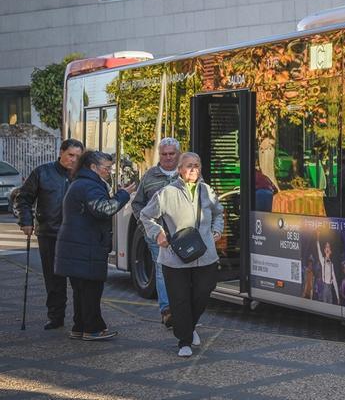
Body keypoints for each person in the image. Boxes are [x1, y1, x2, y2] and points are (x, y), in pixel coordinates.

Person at [139, 152, 223, 358]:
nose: (193, 169)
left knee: (203, 293)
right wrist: (158, 233)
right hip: (174, 257)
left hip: (205, 255)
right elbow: (145, 215)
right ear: (180, 170)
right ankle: (184, 340)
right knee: (180, 299)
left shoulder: (207, 190)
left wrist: (217, 230)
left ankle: (189, 326)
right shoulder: (167, 192)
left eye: (196, 165)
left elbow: (218, 212)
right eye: (188, 166)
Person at [55, 151, 135, 340]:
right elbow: (103, 209)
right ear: (93, 167)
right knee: (90, 290)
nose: (109, 172)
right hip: (86, 247)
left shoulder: (81, 183)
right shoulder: (90, 185)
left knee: (81, 290)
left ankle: (79, 326)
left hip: (77, 247)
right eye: (106, 168)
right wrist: (123, 195)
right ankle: (92, 329)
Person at [15, 138, 83, 330]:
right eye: (70, 155)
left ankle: (81, 319)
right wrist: (26, 221)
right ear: (61, 152)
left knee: (79, 280)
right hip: (49, 234)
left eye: (78, 157)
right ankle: (56, 316)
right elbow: (23, 198)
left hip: (76, 236)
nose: (73, 160)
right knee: (54, 279)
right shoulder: (42, 172)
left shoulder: (82, 176)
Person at [130, 137, 181, 328]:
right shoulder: (150, 176)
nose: (167, 158)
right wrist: (146, 229)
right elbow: (137, 203)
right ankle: (167, 311)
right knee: (161, 271)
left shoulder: (187, 173)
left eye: (171, 154)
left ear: (178, 154)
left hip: (182, 234)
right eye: (164, 154)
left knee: (183, 272)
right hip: (157, 234)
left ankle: (182, 309)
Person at [316, 240, 338, 304]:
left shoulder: (332, 264)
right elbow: (319, 251)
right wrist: (317, 240)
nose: (327, 248)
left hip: (330, 289)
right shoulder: (323, 261)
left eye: (329, 247)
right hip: (325, 287)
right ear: (324, 250)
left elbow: (334, 281)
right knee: (325, 304)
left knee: (330, 303)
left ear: (330, 251)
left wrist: (337, 296)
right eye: (326, 247)